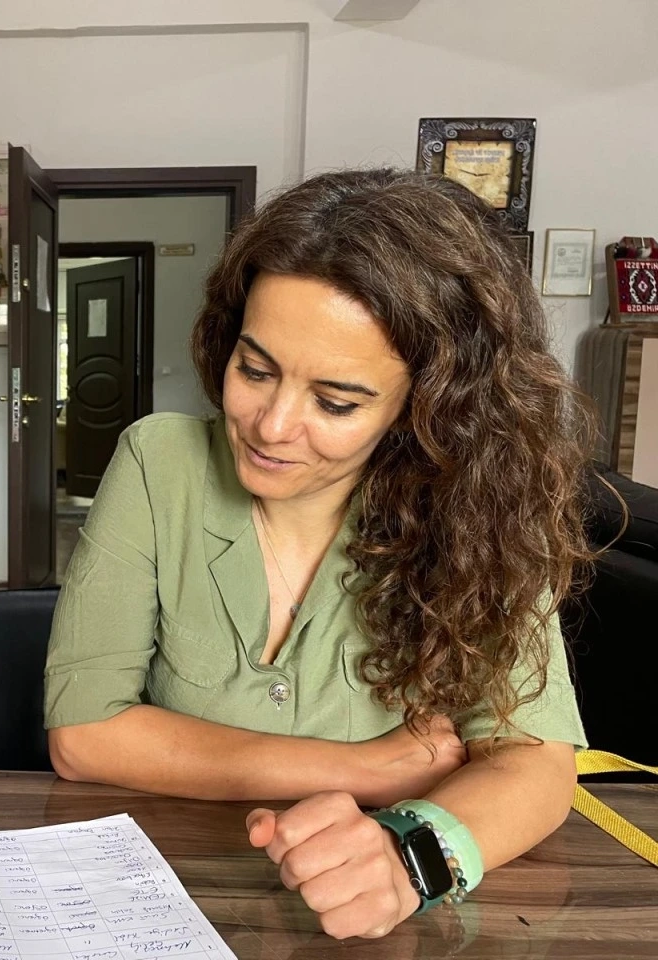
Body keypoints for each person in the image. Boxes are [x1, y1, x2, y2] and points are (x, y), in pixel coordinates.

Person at [44, 168, 599, 940]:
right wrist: (365, 768)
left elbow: (535, 764)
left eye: (336, 402)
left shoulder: (486, 513)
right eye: (254, 369)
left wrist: (409, 860)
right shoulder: (157, 463)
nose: (271, 426)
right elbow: (84, 734)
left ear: (426, 405)